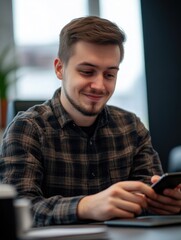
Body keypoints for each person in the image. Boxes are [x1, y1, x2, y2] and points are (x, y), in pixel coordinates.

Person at [0, 16, 181, 227]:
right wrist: (85, 206)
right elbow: (18, 210)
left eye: (110, 75)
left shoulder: (131, 127)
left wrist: (168, 203)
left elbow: (148, 199)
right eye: (87, 72)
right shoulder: (27, 129)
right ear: (60, 68)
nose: (99, 85)